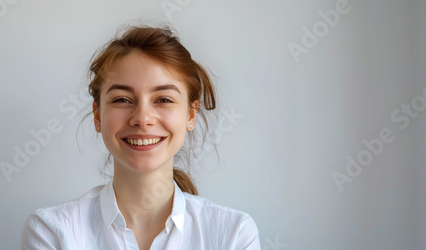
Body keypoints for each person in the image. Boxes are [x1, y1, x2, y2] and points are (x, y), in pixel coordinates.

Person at [20, 22, 261, 250]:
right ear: (98, 116)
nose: (142, 118)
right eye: (122, 100)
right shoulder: (52, 231)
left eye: (164, 100)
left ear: (190, 114)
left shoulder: (234, 234)